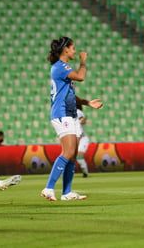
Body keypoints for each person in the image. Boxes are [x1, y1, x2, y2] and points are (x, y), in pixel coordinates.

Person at [41, 36, 103, 201]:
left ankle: (67, 192)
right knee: (67, 152)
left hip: (71, 114)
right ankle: (48, 188)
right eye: (73, 48)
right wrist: (83, 62)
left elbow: (71, 96)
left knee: (73, 155)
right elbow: (81, 76)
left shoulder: (62, 69)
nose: (75, 51)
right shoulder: (61, 67)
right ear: (65, 50)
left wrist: (87, 102)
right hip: (62, 114)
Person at [76, 103, 89, 177]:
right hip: (74, 139)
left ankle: (85, 173)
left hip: (82, 138)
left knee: (79, 156)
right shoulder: (67, 114)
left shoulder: (78, 112)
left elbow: (83, 121)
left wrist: (78, 122)